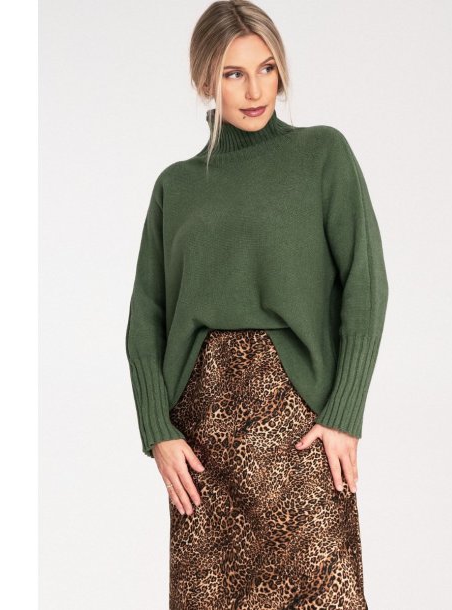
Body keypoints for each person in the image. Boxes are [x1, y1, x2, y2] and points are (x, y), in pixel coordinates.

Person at [125, 1, 388, 607]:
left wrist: (345, 412)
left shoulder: (322, 155)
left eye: (267, 68)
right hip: (202, 431)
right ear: (205, 79)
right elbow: (146, 316)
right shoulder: (176, 185)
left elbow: (367, 283)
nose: (255, 90)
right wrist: (156, 427)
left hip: (297, 418)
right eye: (234, 73)